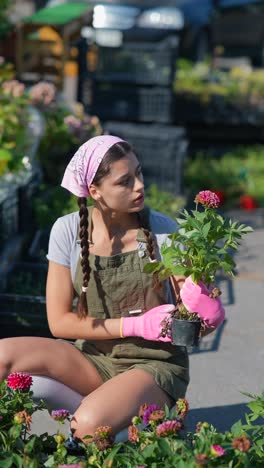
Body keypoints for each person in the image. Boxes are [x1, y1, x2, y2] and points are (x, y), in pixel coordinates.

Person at [0, 135, 224, 442]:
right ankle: (94, 422)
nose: (140, 185)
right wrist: (133, 325)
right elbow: (59, 322)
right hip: (92, 360)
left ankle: (114, 426)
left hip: (153, 366)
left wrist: (207, 313)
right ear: (95, 191)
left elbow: (191, 322)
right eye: (125, 181)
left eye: (139, 173)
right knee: (2, 356)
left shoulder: (163, 232)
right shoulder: (67, 231)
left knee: (90, 425)